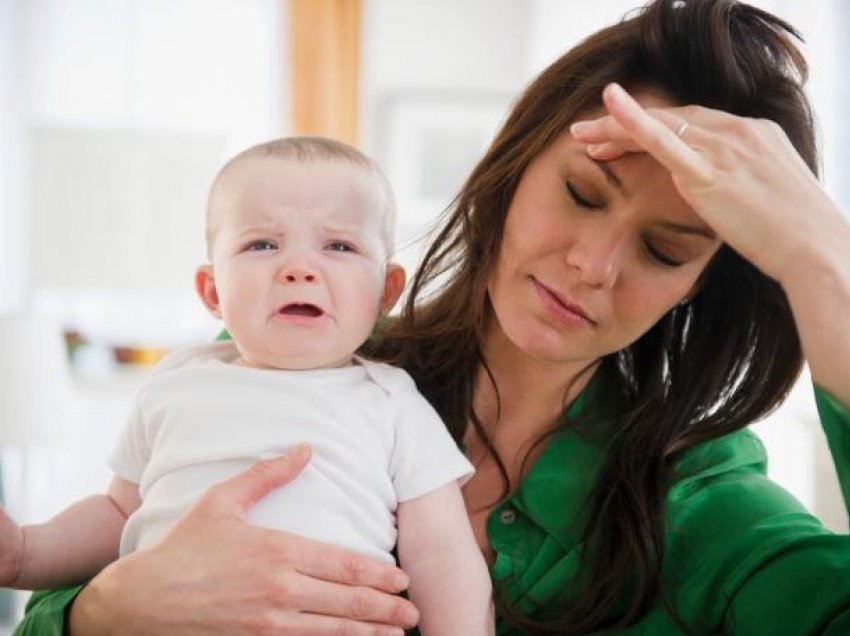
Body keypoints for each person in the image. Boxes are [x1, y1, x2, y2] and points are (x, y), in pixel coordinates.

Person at [13, 0, 850, 633]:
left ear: (698, 286)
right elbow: (95, 554)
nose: (590, 267)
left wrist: (824, 258)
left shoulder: (705, 503)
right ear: (515, 167)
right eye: (580, 193)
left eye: (665, 252)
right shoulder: (283, 353)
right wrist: (106, 610)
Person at [0, 137, 493, 635]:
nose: (299, 269)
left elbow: (443, 555)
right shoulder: (176, 383)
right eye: (263, 245)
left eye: (339, 246)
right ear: (213, 291)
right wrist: (26, 552)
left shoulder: (393, 403)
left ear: (385, 291)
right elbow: (117, 514)